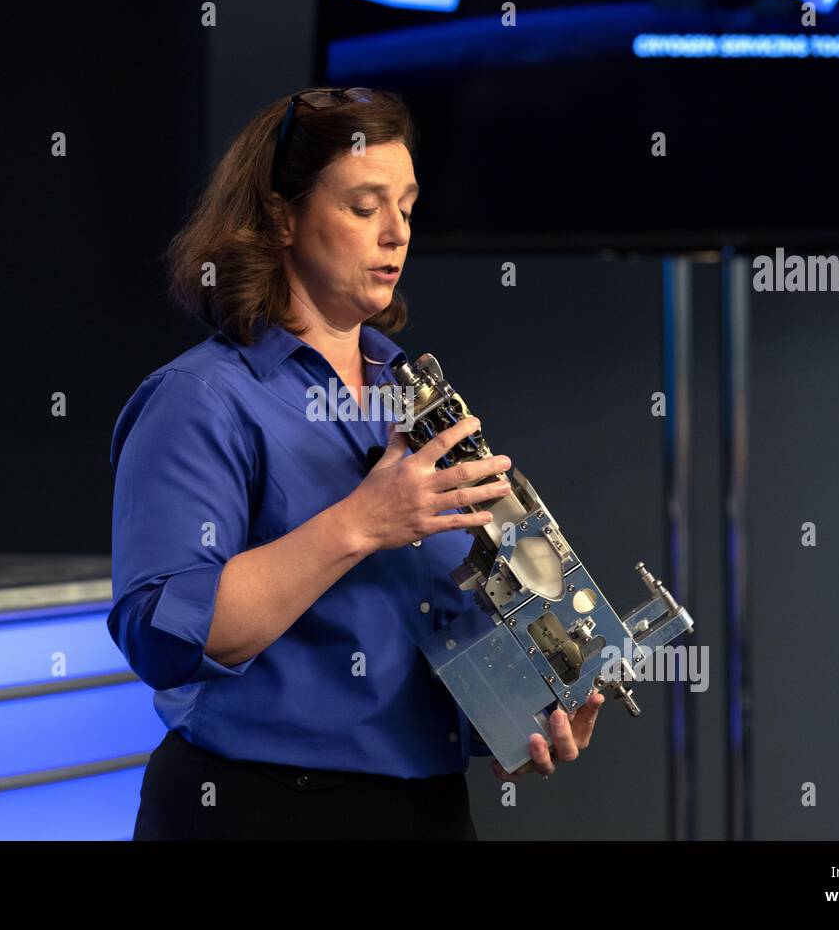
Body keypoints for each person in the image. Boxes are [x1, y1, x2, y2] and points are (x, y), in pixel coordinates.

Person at [108, 87, 603, 840]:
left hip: (427, 810)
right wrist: (362, 523)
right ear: (281, 218)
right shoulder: (200, 398)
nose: (397, 234)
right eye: (365, 206)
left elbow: (430, 623)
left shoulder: (412, 396)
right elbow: (165, 634)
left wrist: (516, 722)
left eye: (406, 205)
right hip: (257, 810)